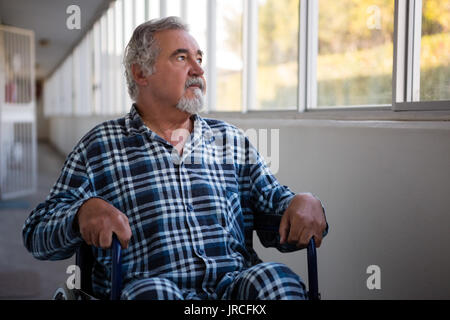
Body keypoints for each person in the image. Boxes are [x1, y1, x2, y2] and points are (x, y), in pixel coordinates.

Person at [23, 16, 328, 300]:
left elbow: (276, 217)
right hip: (149, 287)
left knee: (275, 280)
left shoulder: (231, 141)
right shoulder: (99, 147)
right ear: (141, 72)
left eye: (199, 58)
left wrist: (301, 203)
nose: (198, 69)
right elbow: (36, 233)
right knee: (155, 294)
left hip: (233, 290)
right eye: (182, 57)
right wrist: (80, 215)